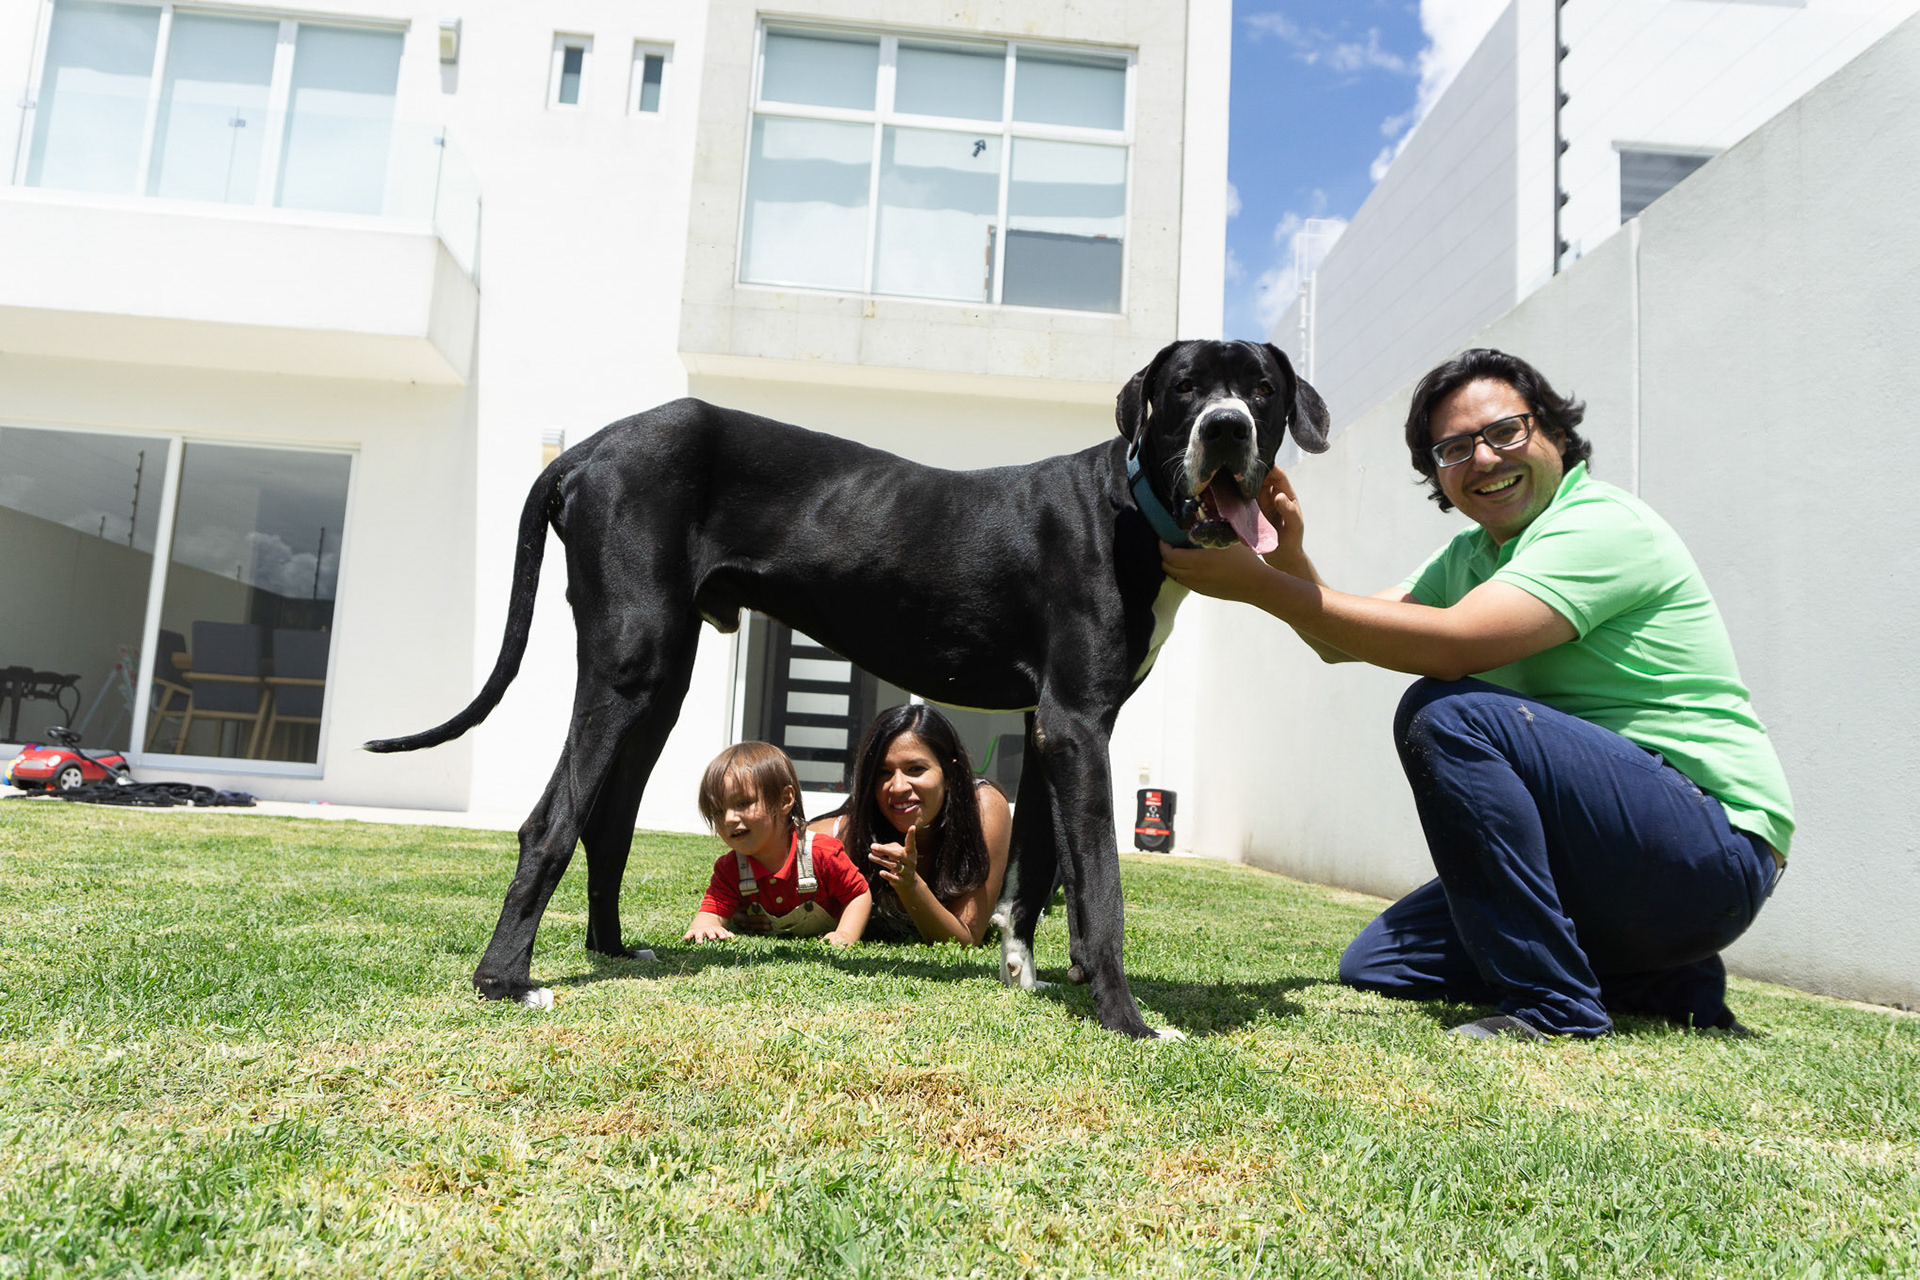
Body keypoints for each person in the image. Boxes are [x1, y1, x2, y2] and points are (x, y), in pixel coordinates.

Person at [1160, 348, 1792, 1039]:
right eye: (1454, 448)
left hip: (1710, 849)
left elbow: (1454, 644)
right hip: (1609, 866)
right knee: (1378, 964)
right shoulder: (1475, 555)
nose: (1483, 459)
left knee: (1449, 714)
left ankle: (1557, 1009)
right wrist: (1286, 561)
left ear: (1554, 433)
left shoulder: (1603, 525)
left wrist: (1267, 587)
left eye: (1505, 432)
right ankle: (1661, 975)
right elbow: (1341, 637)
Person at [809, 704, 1013, 945]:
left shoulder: (984, 808)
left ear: (949, 773)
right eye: (884, 773)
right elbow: (783, 845)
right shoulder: (852, 831)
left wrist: (910, 884)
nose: (898, 787)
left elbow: (967, 939)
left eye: (915, 769)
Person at [684, 741, 871, 947]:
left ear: (785, 800)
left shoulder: (821, 853)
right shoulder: (730, 868)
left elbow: (859, 895)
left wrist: (845, 933)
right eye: (718, 811)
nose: (728, 818)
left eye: (743, 803)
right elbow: (711, 910)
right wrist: (705, 926)